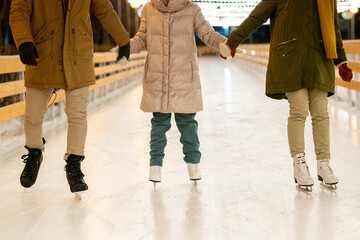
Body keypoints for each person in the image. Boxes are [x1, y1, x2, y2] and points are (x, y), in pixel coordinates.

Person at [220, 0, 353, 191]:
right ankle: (299, 164)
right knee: (299, 110)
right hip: (291, 57)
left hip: (319, 57)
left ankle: (324, 163)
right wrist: (233, 40)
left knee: (321, 114)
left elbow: (334, 28)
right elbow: (257, 16)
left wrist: (341, 61)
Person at [9, 0, 130, 197]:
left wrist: (123, 40)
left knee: (77, 114)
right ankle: (34, 153)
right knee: (33, 115)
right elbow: (19, 10)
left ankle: (74, 165)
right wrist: (24, 40)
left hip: (78, 54)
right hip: (43, 53)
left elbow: (104, 10)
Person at [130, 0, 226, 186]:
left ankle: (193, 166)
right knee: (159, 123)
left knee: (187, 124)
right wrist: (126, 48)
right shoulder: (149, 9)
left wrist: (223, 43)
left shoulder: (191, 9)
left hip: (184, 75)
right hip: (158, 75)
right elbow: (142, 38)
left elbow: (207, 33)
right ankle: (155, 167)